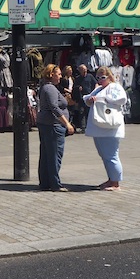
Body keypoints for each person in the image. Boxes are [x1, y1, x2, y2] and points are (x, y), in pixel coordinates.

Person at [84, 66, 127, 191]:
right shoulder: (99, 89)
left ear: (109, 76)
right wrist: (91, 100)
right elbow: (86, 99)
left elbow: (121, 99)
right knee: (105, 155)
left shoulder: (115, 86)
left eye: (103, 77)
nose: (100, 80)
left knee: (111, 155)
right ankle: (111, 179)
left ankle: (115, 182)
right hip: (99, 127)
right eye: (98, 77)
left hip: (110, 128)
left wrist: (101, 99)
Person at [36, 64, 74, 192]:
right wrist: (66, 123)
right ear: (51, 75)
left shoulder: (47, 88)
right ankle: (55, 183)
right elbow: (54, 107)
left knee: (47, 154)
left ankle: (46, 182)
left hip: (47, 124)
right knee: (54, 155)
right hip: (53, 125)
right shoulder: (50, 88)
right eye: (58, 74)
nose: (60, 76)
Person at [71, 64, 96, 132]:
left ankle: (90, 126)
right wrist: (78, 88)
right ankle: (83, 127)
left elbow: (95, 83)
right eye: (83, 70)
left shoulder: (90, 76)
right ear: (80, 71)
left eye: (85, 70)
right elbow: (74, 88)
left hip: (89, 97)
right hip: (81, 98)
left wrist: (94, 92)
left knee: (89, 112)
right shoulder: (78, 78)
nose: (85, 71)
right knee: (82, 112)